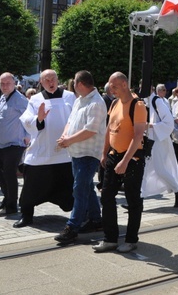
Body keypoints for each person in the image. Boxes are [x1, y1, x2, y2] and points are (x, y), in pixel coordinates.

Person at [93, 72, 148, 254]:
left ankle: (131, 239)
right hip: (113, 155)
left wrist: (125, 161)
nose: (111, 89)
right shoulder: (115, 103)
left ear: (124, 84)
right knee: (106, 195)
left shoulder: (137, 105)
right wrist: (104, 153)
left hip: (132, 158)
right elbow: (109, 129)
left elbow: (138, 135)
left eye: (114, 85)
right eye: (110, 85)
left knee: (132, 198)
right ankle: (110, 239)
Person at [15, 69, 76, 228]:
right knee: (31, 185)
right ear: (41, 82)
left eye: (53, 79)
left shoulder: (70, 96)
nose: (51, 82)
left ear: (57, 79)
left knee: (69, 185)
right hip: (41, 150)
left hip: (64, 152)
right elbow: (27, 120)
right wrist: (39, 119)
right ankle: (26, 215)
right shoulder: (35, 99)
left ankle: (78, 215)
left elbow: (77, 118)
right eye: (47, 80)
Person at [54, 70, 107, 244]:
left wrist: (68, 140)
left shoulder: (97, 103)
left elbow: (90, 130)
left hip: (89, 153)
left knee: (79, 190)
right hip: (76, 152)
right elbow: (70, 121)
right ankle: (96, 220)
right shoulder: (80, 100)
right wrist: (64, 137)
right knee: (85, 187)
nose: (73, 85)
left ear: (80, 84)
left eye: (74, 82)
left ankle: (72, 226)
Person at [0, 73, 29, 217]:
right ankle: (8, 196)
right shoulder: (4, 97)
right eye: (2, 84)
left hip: (15, 143)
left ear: (14, 83)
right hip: (0, 143)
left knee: (10, 173)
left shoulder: (20, 99)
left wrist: (28, 137)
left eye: (7, 83)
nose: (4, 86)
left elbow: (30, 118)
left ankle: (11, 206)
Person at [142, 84, 178, 207]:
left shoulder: (157, 101)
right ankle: (138, 200)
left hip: (159, 140)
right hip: (148, 139)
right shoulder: (143, 102)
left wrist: (150, 126)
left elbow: (169, 123)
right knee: (143, 170)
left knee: (160, 169)